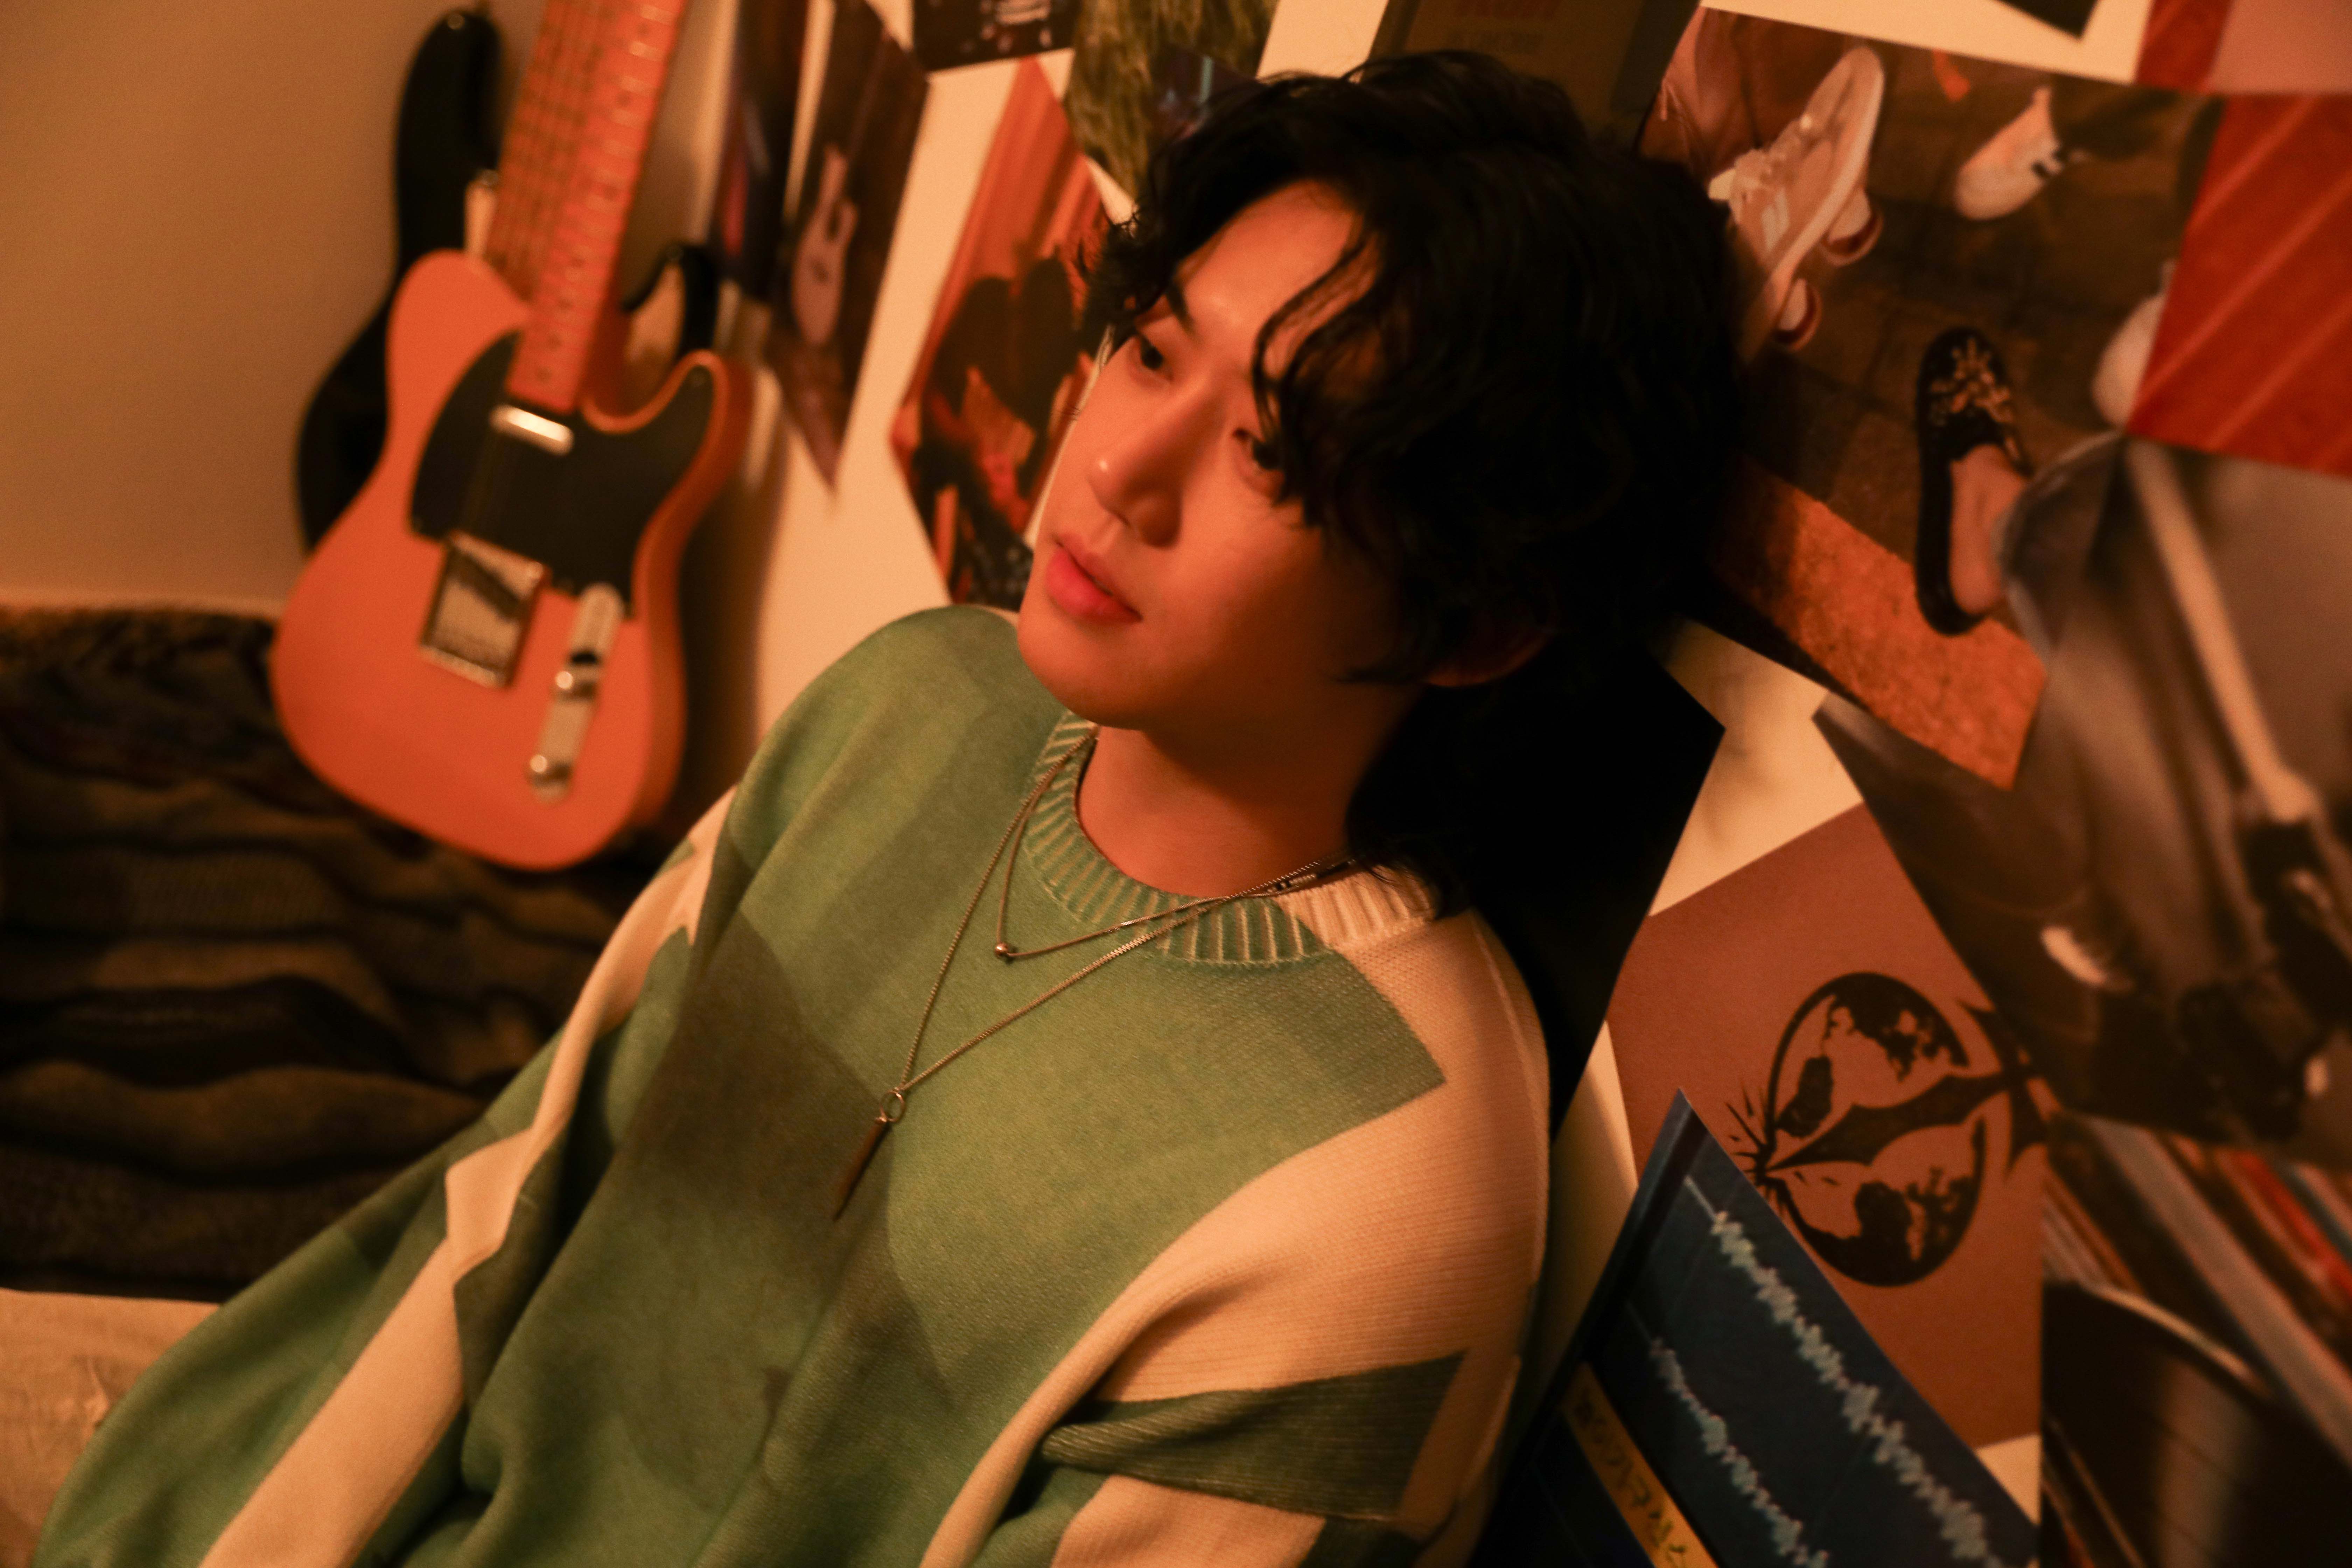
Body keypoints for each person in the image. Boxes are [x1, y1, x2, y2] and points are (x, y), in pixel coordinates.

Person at [33, 51, 1737, 1567]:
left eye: (1274, 457)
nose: (1117, 470)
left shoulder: (1377, 1206)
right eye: (1153, 350)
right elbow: (517, 1186)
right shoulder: (916, 694)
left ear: (1479, 623)